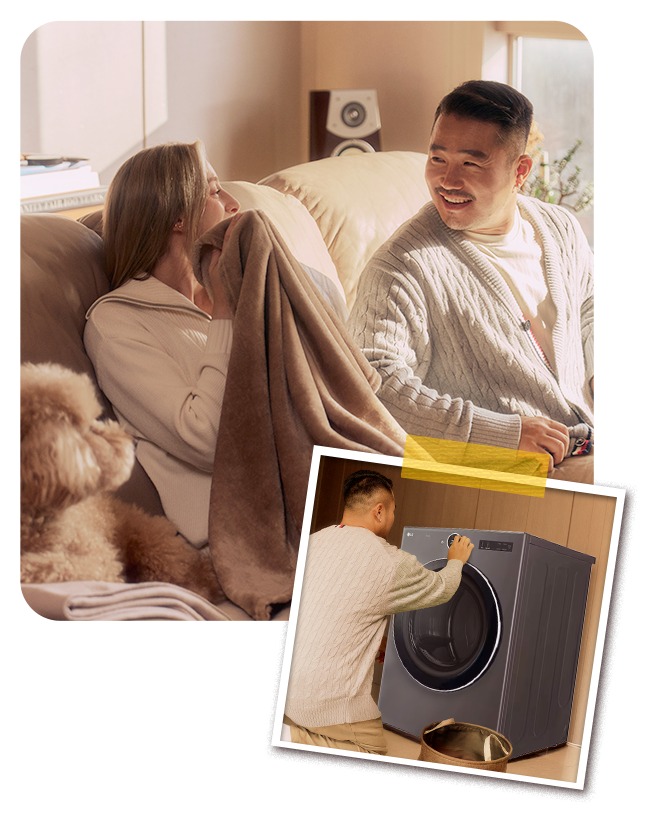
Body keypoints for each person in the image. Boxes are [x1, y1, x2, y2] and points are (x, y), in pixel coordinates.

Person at [84, 140, 347, 549]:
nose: (232, 204)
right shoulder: (117, 323)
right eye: (213, 190)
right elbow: (206, 439)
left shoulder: (244, 289)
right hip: (247, 532)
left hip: (319, 486)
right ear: (177, 215)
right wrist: (225, 310)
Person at [347, 81, 595, 472]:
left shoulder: (560, 227)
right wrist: (502, 434)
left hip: (591, 439)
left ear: (520, 172)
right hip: (510, 471)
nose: (447, 180)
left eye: (471, 163)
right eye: (437, 158)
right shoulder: (401, 268)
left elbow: (591, 305)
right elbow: (373, 384)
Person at [283, 469, 473, 754]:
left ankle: (288, 727)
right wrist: (456, 560)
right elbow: (442, 588)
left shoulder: (313, 542)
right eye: (394, 511)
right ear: (379, 511)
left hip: (283, 689)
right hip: (328, 706)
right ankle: (289, 738)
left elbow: (332, 610)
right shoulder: (389, 560)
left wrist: (371, 644)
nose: (394, 519)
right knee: (374, 751)